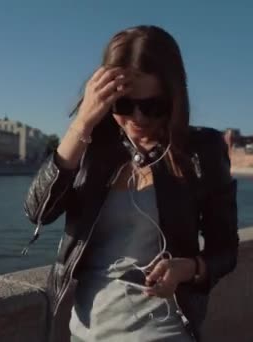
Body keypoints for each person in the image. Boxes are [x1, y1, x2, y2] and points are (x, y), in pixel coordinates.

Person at [22, 25, 239, 342]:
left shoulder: (202, 150)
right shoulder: (91, 147)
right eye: (123, 106)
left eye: (151, 106)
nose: (137, 118)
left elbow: (226, 251)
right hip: (84, 331)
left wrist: (187, 268)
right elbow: (38, 212)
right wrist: (82, 123)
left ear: (173, 96)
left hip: (163, 332)